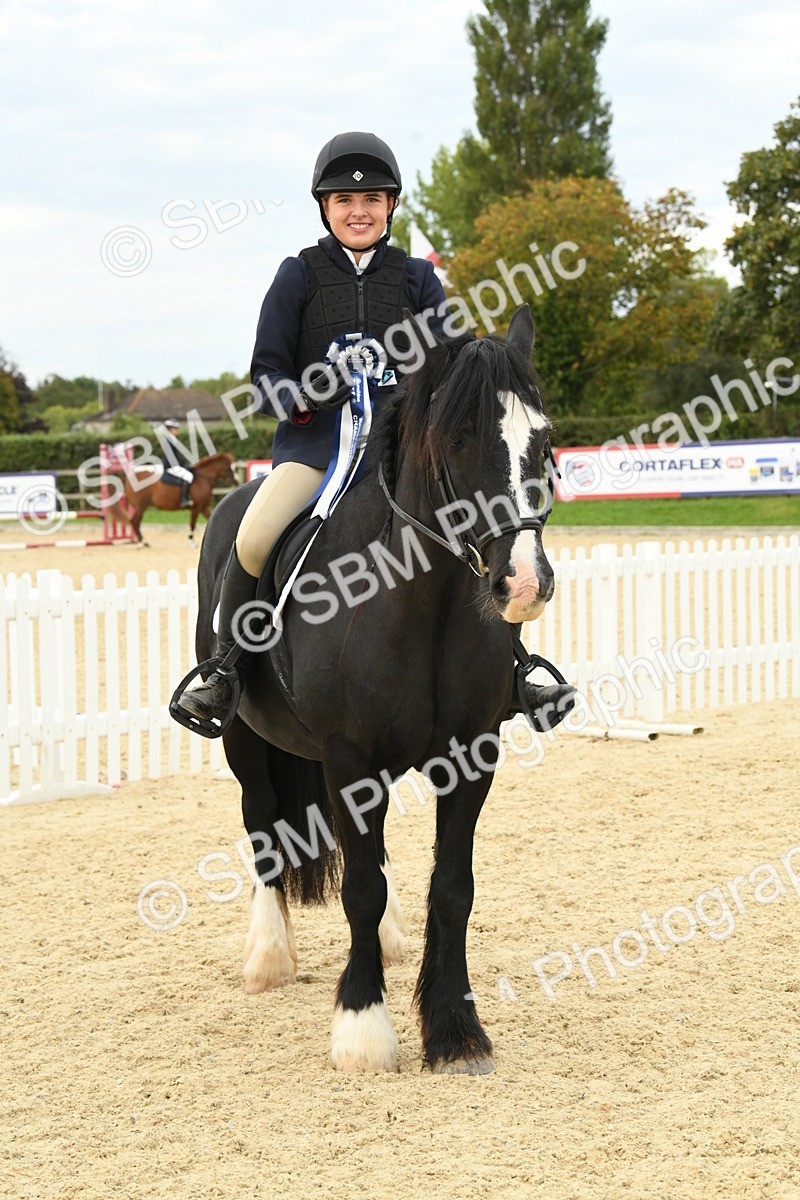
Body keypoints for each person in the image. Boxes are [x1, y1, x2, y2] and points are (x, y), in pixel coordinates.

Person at [175, 132, 448, 724]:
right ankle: (225, 670)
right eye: (345, 201)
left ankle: (511, 667)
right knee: (251, 537)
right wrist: (302, 398)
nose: (359, 211)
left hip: (400, 457)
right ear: (324, 207)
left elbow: (447, 371)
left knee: (474, 530)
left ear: (391, 206)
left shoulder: (418, 281)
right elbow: (265, 373)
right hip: (313, 453)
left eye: (373, 200)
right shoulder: (297, 275)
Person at [158, 418, 195, 508]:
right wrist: (184, 464)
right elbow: (171, 458)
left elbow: (176, 457)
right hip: (170, 466)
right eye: (175, 428)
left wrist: (185, 463)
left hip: (174, 464)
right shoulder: (168, 440)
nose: (177, 430)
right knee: (189, 476)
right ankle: (184, 500)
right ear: (170, 429)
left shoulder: (173, 439)